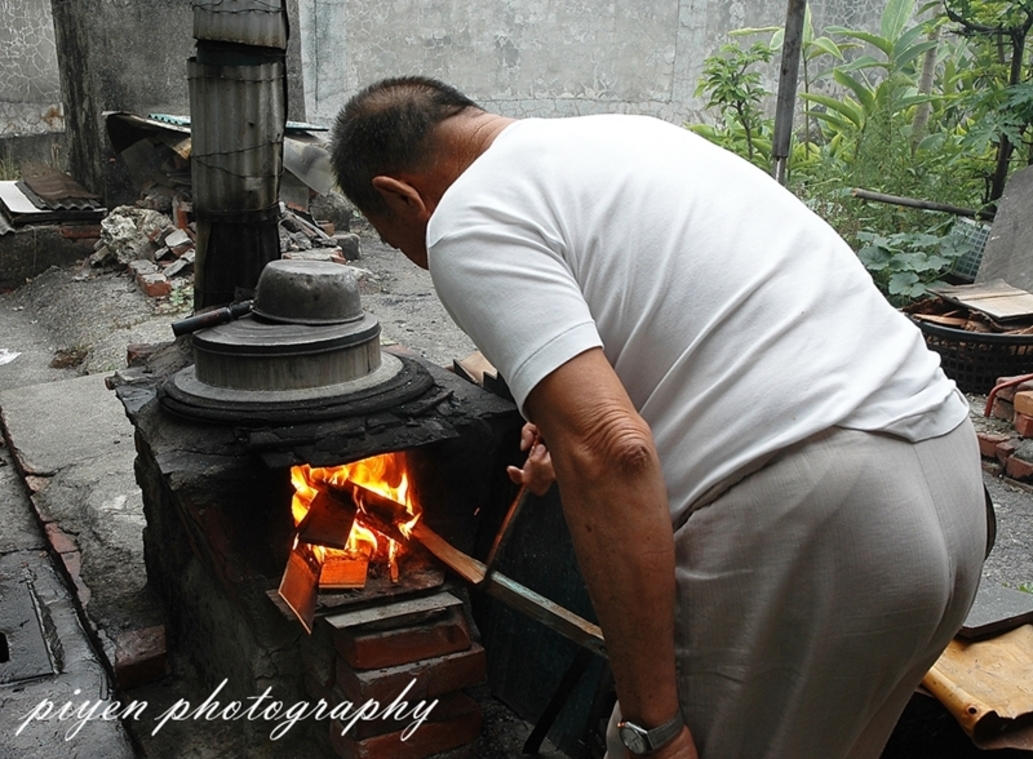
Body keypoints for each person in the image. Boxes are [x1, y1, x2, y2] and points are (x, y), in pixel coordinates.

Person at [329, 76, 987, 759]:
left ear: (400, 195)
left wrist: (654, 725)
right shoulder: (630, 137)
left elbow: (612, 449)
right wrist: (566, 421)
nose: (415, 253)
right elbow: (691, 326)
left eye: (397, 238)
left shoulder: (466, 215)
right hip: (943, 477)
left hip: (814, 522)